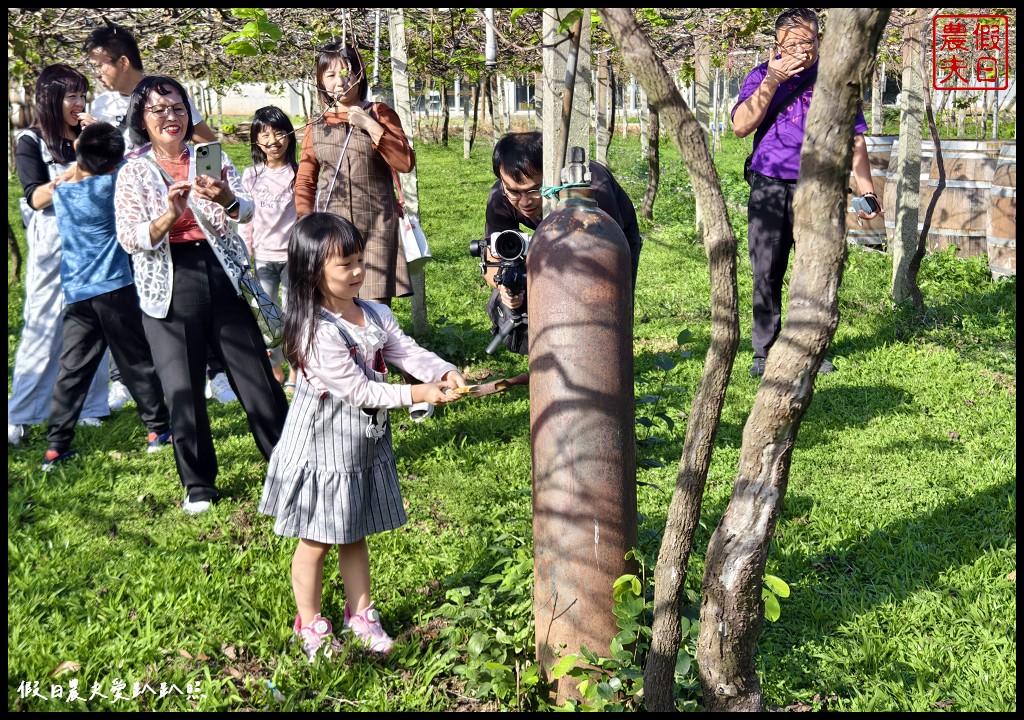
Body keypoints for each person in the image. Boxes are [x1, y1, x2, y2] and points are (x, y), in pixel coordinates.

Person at [258, 213, 467, 660]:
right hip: (321, 447)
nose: (357, 272)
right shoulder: (314, 330)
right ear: (313, 272)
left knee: (353, 531)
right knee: (315, 538)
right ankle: (309, 622)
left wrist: (441, 371)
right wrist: (418, 392)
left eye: (359, 261)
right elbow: (357, 389)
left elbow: (404, 349)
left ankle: (361, 614)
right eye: (345, 265)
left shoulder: (374, 312)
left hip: (359, 446)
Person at [114, 75, 289, 515]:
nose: (171, 117)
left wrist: (227, 196)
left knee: (256, 377)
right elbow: (130, 237)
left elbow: (246, 211)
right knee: (183, 389)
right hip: (168, 282)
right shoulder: (133, 170)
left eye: (177, 107)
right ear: (142, 119)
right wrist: (168, 218)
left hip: (222, 272)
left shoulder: (210, 157)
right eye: (159, 110)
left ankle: (288, 465)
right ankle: (199, 485)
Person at [79, 21, 235, 407]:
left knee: (199, 297)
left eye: (102, 64)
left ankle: (215, 371)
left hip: (184, 215)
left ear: (124, 60)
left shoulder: (166, 94)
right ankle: (131, 377)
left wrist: (210, 187)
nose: (98, 73)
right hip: (132, 212)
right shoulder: (101, 107)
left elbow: (206, 142)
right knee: (140, 294)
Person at [731, 7, 879, 378]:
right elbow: (740, 126)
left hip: (819, 186)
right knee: (766, 268)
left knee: (814, 269)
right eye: (792, 41)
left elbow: (855, 140)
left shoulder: (833, 79)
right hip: (769, 185)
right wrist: (773, 81)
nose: (802, 48)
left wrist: (867, 192)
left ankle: (809, 346)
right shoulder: (761, 76)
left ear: (820, 41)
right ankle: (765, 350)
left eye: (808, 41)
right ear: (777, 44)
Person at [42, 121, 173, 471]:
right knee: (135, 361)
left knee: (73, 368)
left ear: (79, 153)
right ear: (114, 163)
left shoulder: (63, 192)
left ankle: (56, 447)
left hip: (77, 294)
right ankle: (157, 432)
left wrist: (84, 145)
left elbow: (79, 167)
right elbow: (130, 161)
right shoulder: (111, 185)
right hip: (115, 289)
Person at [9, 63, 110, 447]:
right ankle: (22, 411)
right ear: (51, 99)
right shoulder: (30, 141)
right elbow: (36, 197)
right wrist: (80, 168)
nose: (79, 102)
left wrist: (100, 140)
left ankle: (89, 406)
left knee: (93, 324)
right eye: (72, 95)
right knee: (44, 324)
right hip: (54, 242)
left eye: (82, 94)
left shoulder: (89, 138)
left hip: (95, 242)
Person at [481, 130, 643, 355]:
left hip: (610, 239)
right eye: (514, 192)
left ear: (551, 174)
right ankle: (558, 354)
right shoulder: (500, 198)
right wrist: (505, 287)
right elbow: (492, 257)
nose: (525, 202)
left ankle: (606, 355)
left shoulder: (595, 191)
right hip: (549, 234)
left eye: (533, 190)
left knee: (607, 304)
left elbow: (603, 259)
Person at [294, 42, 415, 308]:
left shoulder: (379, 113)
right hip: (332, 232)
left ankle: (379, 351)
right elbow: (305, 179)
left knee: (375, 310)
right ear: (321, 82)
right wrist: (306, 222)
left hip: (376, 229)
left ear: (359, 74)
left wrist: (370, 125)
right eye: (330, 75)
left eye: (346, 72)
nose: (340, 81)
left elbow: (405, 162)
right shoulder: (317, 125)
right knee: (336, 307)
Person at [239, 106, 299, 393]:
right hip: (262, 258)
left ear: (289, 135)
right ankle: (275, 369)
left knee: (292, 316)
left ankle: (296, 372)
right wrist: (244, 253)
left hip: (292, 259)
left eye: (279, 132)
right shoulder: (251, 176)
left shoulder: (298, 173)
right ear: (256, 141)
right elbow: (245, 220)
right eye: (264, 135)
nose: (273, 140)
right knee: (265, 318)